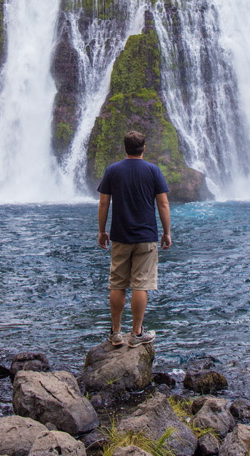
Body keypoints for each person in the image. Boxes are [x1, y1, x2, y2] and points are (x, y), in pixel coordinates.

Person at [97, 130, 171, 348]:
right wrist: (166, 232)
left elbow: (103, 204)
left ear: (125, 148)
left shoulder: (113, 170)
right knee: (142, 284)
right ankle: (136, 333)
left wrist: (102, 231)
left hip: (120, 236)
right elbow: (163, 204)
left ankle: (116, 332)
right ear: (143, 148)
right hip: (147, 236)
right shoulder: (153, 170)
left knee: (117, 284)